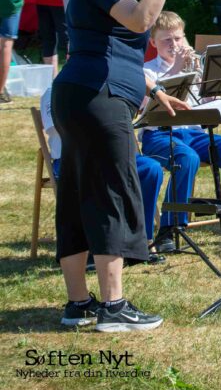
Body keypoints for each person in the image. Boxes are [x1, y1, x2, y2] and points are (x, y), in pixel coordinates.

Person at [51, 0, 184, 332]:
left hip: (82, 94)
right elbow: (141, 21)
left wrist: (149, 84)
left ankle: (79, 304)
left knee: (76, 195)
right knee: (111, 192)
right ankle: (113, 306)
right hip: (98, 99)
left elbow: (106, 44)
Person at [141, 11, 221, 251]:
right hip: (160, 135)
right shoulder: (147, 72)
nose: (175, 45)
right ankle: (170, 229)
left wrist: (209, 86)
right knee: (186, 158)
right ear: (153, 43)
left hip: (195, 134)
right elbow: (150, 109)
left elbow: (209, 107)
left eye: (179, 39)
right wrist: (175, 69)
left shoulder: (195, 67)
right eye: (167, 41)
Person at [40, 87, 165, 268]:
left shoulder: (109, 86)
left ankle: (142, 241)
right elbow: (57, 127)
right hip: (75, 157)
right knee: (99, 172)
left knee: (150, 169)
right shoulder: (55, 90)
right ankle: (96, 248)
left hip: (115, 153)